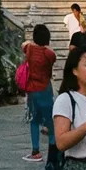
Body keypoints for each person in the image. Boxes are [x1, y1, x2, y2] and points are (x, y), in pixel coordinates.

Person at [22, 23, 57, 161]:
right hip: (46, 88)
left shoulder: (29, 48)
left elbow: (23, 45)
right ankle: (54, 147)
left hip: (32, 89)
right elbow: (52, 61)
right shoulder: (49, 53)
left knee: (34, 120)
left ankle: (35, 150)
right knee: (50, 120)